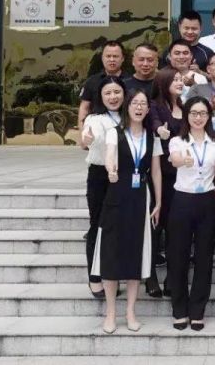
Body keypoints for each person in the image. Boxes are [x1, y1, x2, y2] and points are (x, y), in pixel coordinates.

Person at [92, 89, 163, 334]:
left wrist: (158, 202)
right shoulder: (115, 132)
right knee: (111, 253)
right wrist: (111, 170)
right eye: (135, 103)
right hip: (116, 195)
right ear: (127, 106)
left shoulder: (152, 137)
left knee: (136, 253)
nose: (139, 107)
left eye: (143, 103)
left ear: (148, 109)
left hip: (140, 197)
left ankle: (131, 312)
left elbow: (156, 171)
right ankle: (111, 313)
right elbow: (110, 155)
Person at [166, 96, 215, 331]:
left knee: (204, 257)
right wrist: (184, 160)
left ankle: (198, 310)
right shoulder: (177, 141)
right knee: (177, 255)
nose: (198, 118)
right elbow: (175, 160)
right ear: (187, 116)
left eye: (203, 113)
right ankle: (179, 309)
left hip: (207, 201)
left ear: (209, 116)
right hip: (182, 200)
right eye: (194, 113)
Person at [81, 76, 125, 298]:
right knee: (98, 225)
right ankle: (95, 277)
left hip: (125, 176)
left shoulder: (131, 116)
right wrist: (86, 139)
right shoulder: (94, 119)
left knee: (119, 227)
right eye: (108, 93)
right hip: (100, 176)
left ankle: (113, 274)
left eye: (117, 92)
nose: (113, 97)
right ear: (100, 96)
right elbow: (87, 138)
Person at [146, 68, 185, 297]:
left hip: (181, 176)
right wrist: (159, 129)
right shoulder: (155, 106)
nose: (180, 82)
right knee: (155, 226)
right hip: (159, 173)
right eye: (175, 79)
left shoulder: (184, 106)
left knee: (174, 228)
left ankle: (172, 276)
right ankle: (150, 276)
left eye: (181, 79)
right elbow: (155, 123)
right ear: (164, 82)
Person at [79, 41, 125, 140]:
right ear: (102, 58)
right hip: (97, 134)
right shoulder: (92, 81)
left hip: (124, 133)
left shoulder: (130, 80)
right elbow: (84, 107)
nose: (112, 59)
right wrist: (82, 134)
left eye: (115, 56)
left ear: (122, 58)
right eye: (108, 56)